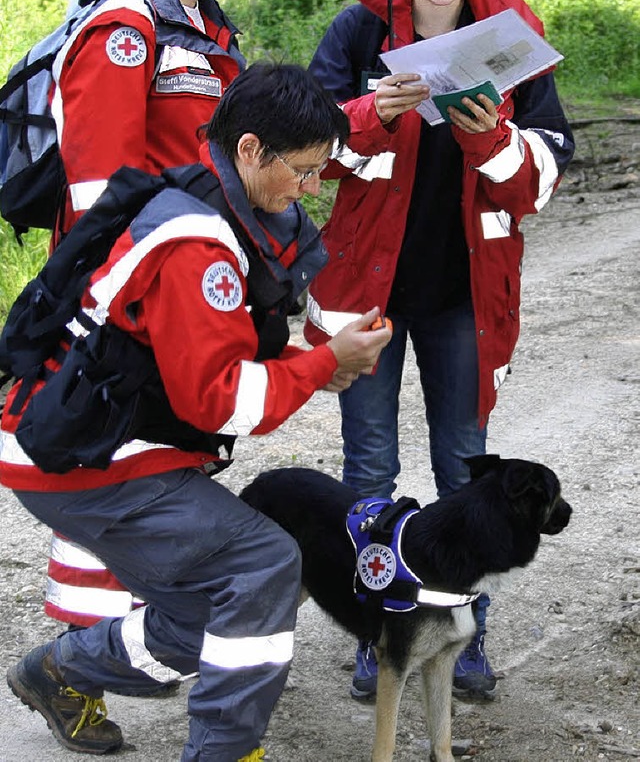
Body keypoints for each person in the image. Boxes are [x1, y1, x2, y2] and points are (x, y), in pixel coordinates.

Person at [1, 63, 393, 761]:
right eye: (303, 171)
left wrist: (321, 357)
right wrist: (324, 365)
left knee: (208, 609)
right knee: (266, 560)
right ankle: (224, 751)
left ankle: (61, 672)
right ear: (248, 149)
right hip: (87, 458)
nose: (311, 189)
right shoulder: (196, 242)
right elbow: (221, 399)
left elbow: (230, 353)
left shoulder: (225, 207)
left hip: (101, 445)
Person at [304, 0, 575, 701]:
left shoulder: (509, 30)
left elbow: (546, 173)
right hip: (371, 295)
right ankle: (376, 633)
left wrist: (491, 136)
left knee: (464, 465)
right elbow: (307, 148)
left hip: (466, 292)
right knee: (369, 469)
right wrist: (364, 116)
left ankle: (462, 637)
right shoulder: (359, 29)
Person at [45, 0, 251, 637]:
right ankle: (76, 666)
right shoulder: (126, 27)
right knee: (104, 466)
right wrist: (135, 307)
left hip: (184, 294)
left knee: (165, 468)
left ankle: (128, 640)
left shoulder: (210, 30)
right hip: (125, 302)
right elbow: (101, 193)